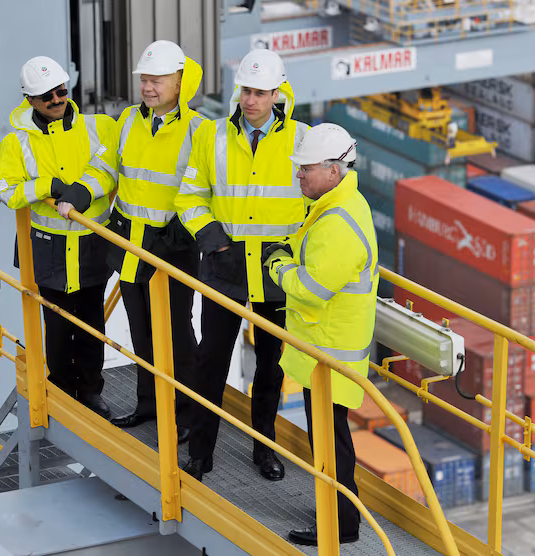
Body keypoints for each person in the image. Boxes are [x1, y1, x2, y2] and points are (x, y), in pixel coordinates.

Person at [174, 49, 309, 481]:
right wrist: (214, 243)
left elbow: (317, 206)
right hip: (224, 267)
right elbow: (189, 197)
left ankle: (264, 449)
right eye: (245, 90)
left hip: (276, 273)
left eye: (259, 92)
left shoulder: (303, 140)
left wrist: (291, 254)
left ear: (277, 93)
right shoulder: (211, 136)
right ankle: (200, 451)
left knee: (270, 369)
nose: (250, 100)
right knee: (210, 362)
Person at [80, 41, 203, 444]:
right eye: (144, 80)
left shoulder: (198, 130)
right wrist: (81, 193)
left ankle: (186, 414)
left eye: (156, 80)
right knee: (142, 333)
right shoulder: (129, 120)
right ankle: (149, 405)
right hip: (132, 245)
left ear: (179, 81)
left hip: (174, 247)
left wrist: (182, 232)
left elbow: (205, 188)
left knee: (178, 335)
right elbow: (105, 168)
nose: (148, 88)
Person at [264, 123, 377, 546]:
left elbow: (311, 291)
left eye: (305, 169)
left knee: (331, 445)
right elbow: (310, 252)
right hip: (325, 352)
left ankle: (340, 526)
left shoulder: (339, 223)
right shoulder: (340, 203)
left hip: (331, 357)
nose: (299, 176)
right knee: (330, 441)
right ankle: (338, 514)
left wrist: (277, 266)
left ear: (333, 170)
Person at [0, 56, 116, 418]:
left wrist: (82, 190)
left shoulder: (97, 128)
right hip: (48, 249)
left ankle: (92, 393)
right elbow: (6, 191)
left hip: (91, 243)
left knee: (93, 321)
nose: (56, 99)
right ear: (29, 99)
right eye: (46, 95)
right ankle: (62, 395)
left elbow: (109, 171)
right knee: (59, 326)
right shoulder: (15, 143)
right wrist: (45, 185)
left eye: (61, 91)